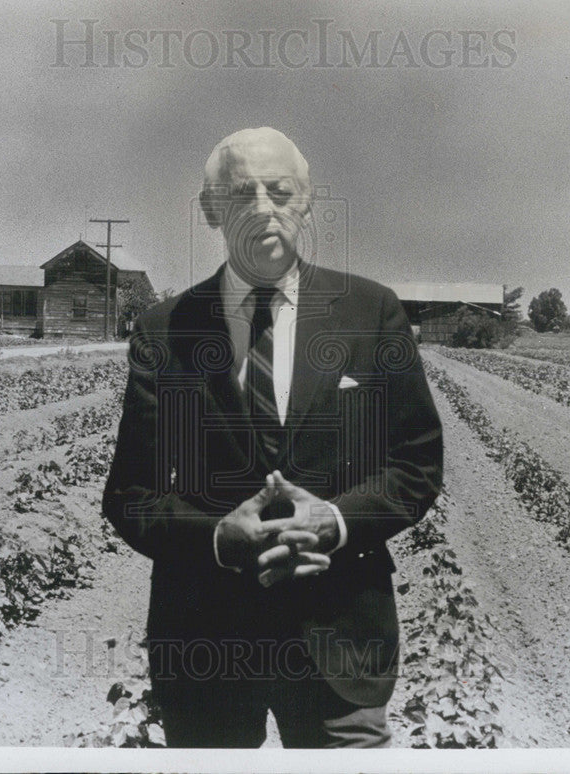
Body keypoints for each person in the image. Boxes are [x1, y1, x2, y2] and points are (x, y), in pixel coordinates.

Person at [102, 127, 443, 748]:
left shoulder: (370, 314)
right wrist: (216, 539)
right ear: (211, 210)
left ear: (305, 201)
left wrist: (337, 521)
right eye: (240, 194)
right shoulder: (166, 331)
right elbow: (130, 495)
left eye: (279, 191)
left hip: (339, 637)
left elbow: (415, 465)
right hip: (205, 642)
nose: (263, 206)